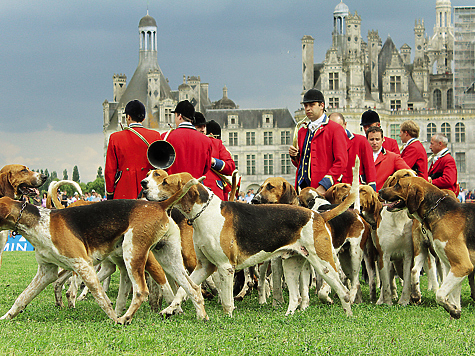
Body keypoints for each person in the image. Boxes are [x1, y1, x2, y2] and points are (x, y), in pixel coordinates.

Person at [289, 89, 348, 196]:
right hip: (302, 188)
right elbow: (303, 162)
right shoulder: (302, 131)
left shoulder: (335, 129)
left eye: (312, 105)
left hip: (326, 190)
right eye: (305, 106)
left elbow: (341, 162)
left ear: (322, 105)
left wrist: (324, 185)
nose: (308, 109)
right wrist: (294, 156)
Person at [105, 100, 162, 200]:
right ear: (143, 118)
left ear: (128, 117)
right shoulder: (155, 136)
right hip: (149, 187)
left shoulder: (115, 137)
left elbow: (110, 171)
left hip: (124, 189)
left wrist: (110, 193)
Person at [163, 100, 213, 179]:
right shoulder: (206, 141)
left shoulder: (166, 136)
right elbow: (206, 167)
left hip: (173, 188)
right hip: (195, 186)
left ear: (179, 116)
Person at [193, 113, 236, 201]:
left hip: (214, 193)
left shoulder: (216, 143)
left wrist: (213, 161)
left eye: (204, 126)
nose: (203, 129)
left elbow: (230, 166)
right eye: (199, 127)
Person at [329, 112, 376, 191]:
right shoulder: (327, 144)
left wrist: (372, 192)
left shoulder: (361, 141)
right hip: (336, 191)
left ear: (345, 124)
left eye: (339, 127)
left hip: (357, 189)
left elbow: (370, 169)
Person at [367, 126, 410, 191]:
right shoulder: (360, 157)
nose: (374, 142)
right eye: (371, 139)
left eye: (377, 139)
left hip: (384, 197)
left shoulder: (393, 157)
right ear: (366, 140)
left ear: (383, 140)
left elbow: (409, 173)